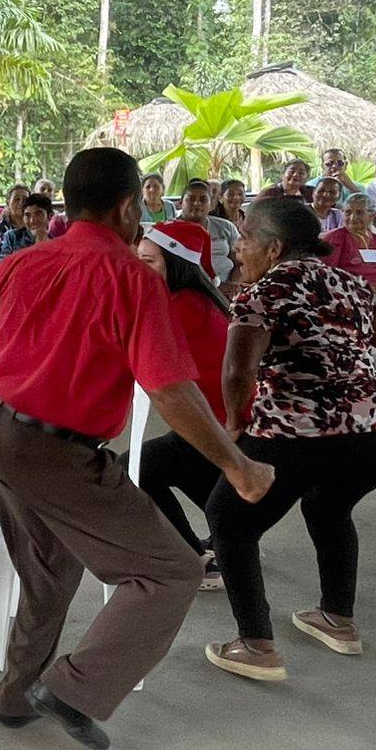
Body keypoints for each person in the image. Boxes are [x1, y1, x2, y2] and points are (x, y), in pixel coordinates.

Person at [0, 148, 273, 749]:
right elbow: (171, 391)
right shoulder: (133, 278)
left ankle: (18, 696)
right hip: (59, 454)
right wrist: (237, 466)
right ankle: (72, 689)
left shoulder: (23, 261)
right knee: (172, 570)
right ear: (129, 207)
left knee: (50, 572)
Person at [204, 199, 376, 681]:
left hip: (296, 434)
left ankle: (256, 646)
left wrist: (235, 424)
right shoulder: (350, 284)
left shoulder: (262, 293)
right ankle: (338, 619)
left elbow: (238, 371)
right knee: (328, 508)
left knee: (229, 520)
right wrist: (367, 405)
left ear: (274, 247)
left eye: (245, 238)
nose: (238, 248)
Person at [132, 222, 235, 592]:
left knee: (137, 470)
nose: (138, 268)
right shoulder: (194, 297)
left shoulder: (182, 306)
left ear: (174, 264)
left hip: (216, 425)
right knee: (190, 474)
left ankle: (197, 559)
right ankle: (232, 540)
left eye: (148, 261)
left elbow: (129, 356)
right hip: (215, 422)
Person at [322, 194, 376, 297]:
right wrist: (361, 287)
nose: (353, 218)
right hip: (348, 294)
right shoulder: (335, 237)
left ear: (371, 216)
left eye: (359, 213)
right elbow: (328, 272)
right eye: (348, 212)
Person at [173, 179, 238, 284]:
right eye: (191, 199)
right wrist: (215, 288)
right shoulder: (168, 232)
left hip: (229, 285)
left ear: (211, 205)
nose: (197, 203)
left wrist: (234, 284)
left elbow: (241, 263)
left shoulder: (226, 226)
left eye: (203, 200)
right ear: (180, 203)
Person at [0, 193, 51, 265]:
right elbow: (0, 266)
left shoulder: (56, 240)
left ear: (49, 216)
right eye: (27, 215)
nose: (32, 221)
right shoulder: (12, 237)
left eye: (38, 214)